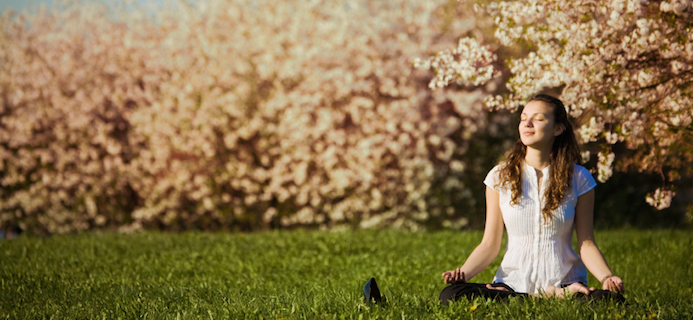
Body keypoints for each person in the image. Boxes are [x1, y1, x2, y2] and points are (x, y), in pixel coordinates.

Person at [439, 94, 625, 304]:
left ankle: (545, 296)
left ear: (558, 128)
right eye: (523, 118)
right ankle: (544, 298)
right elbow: (489, 244)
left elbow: (586, 242)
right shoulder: (499, 177)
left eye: (538, 118)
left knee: (609, 300)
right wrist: (463, 274)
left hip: (566, 282)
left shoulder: (580, 178)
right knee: (450, 295)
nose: (527, 123)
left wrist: (607, 277)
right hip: (511, 285)